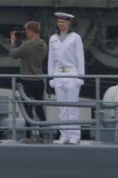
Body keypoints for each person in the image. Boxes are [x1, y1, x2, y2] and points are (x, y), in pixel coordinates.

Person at [47, 11, 85, 144]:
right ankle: (64, 136)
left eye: (63, 22)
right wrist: (50, 76)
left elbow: (80, 57)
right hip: (58, 74)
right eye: (59, 22)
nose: (61, 24)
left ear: (68, 23)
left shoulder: (75, 38)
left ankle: (74, 136)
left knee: (72, 107)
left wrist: (81, 76)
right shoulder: (53, 38)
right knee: (62, 108)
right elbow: (51, 59)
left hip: (71, 74)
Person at [9, 21, 48, 140]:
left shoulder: (28, 45)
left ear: (32, 31)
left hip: (27, 80)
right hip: (39, 80)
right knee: (39, 108)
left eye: (27, 31)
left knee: (27, 109)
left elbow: (14, 54)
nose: (25, 33)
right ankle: (43, 134)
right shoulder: (44, 45)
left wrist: (12, 42)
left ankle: (28, 135)